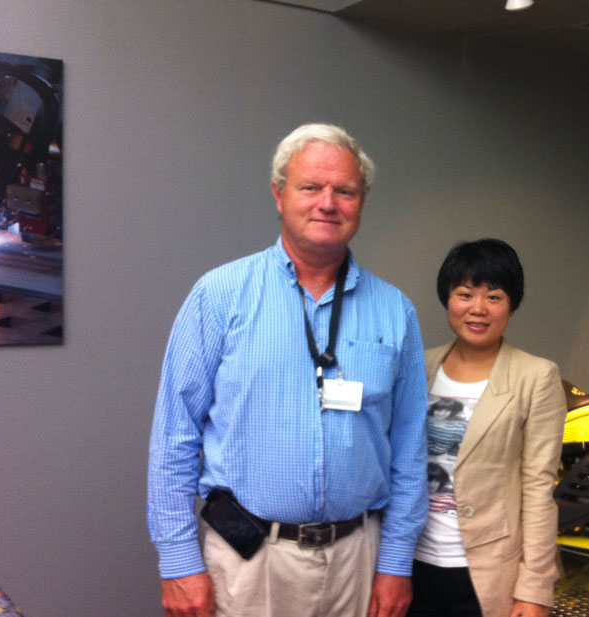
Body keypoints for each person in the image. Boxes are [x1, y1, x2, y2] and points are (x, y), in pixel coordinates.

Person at [147, 123, 429, 617]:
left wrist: (396, 562)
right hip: (247, 561)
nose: (328, 203)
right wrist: (178, 561)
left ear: (362, 202)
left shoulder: (395, 312)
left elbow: (409, 448)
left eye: (345, 191)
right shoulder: (219, 296)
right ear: (279, 195)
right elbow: (175, 436)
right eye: (310, 187)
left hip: (358, 562)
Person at [409, 239, 567, 617]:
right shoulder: (418, 367)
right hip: (411, 566)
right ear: (447, 298)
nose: (478, 308)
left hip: (488, 573)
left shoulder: (536, 376)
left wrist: (535, 588)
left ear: (511, 304)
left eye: (494, 297)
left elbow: (538, 488)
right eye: (465, 294)